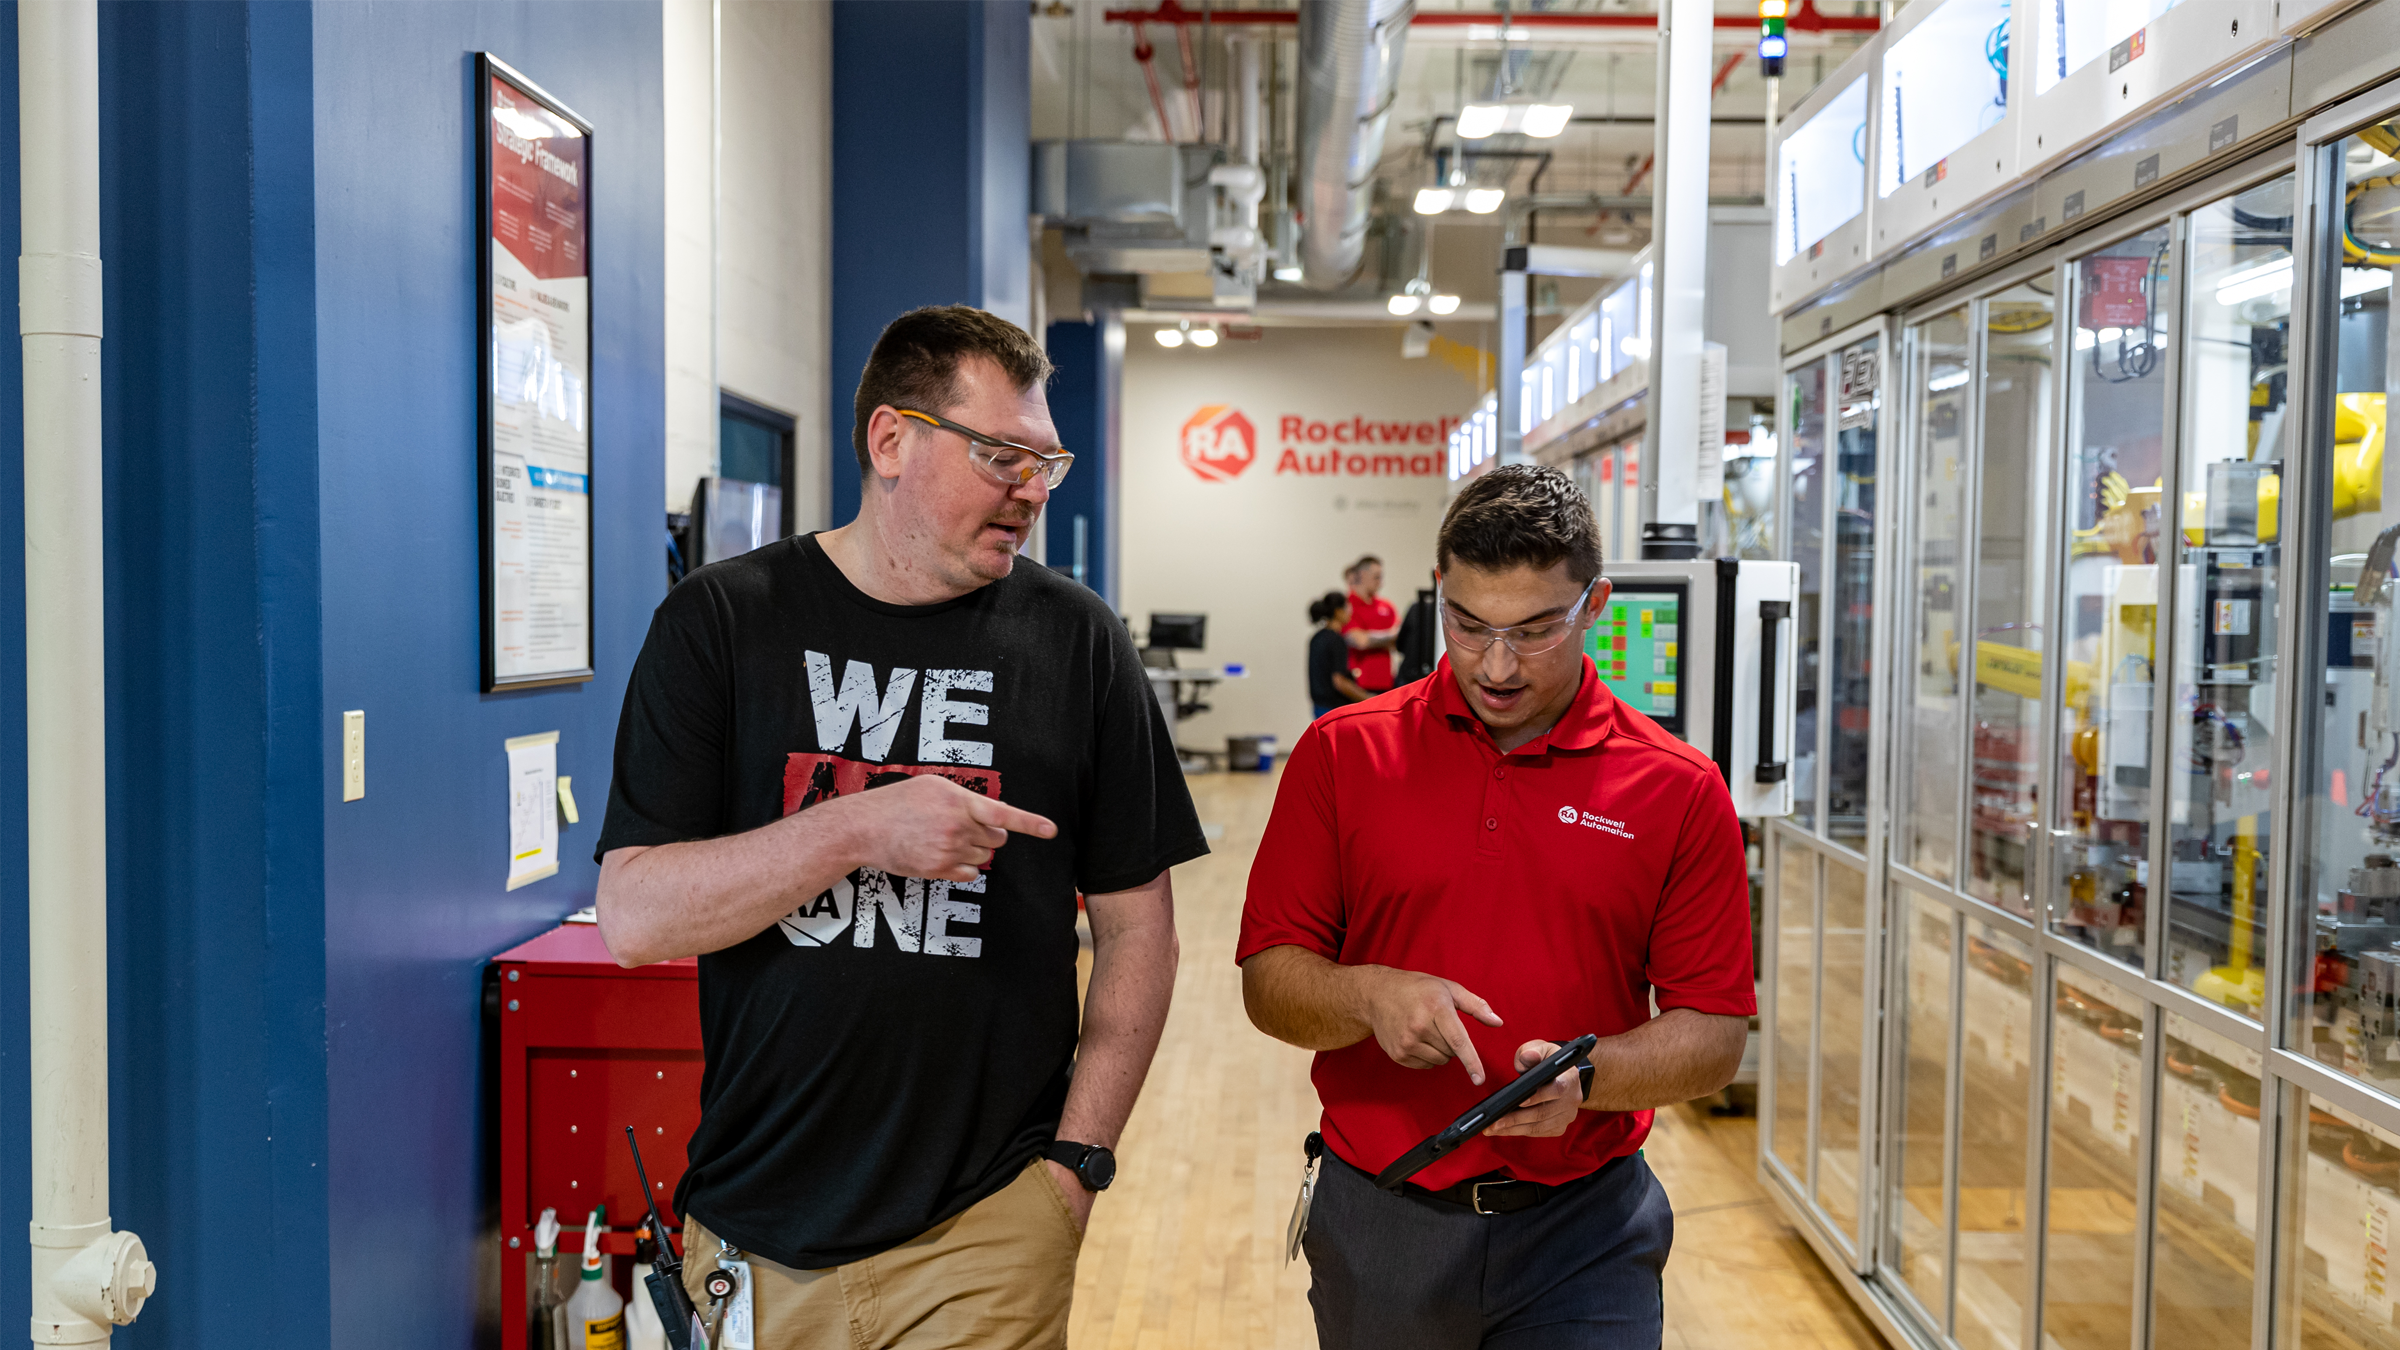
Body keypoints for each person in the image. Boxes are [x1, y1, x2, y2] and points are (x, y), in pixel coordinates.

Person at [593, 304, 1208, 1350]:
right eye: (1004, 455)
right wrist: (857, 828)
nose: (1031, 490)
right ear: (892, 440)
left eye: (1046, 462)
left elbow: (1139, 930)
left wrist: (1075, 1170)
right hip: (756, 1221)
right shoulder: (722, 623)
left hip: (988, 1223)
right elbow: (634, 917)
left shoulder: (1079, 646)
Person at [1237, 464, 1753, 1349]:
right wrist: (1366, 997)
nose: (1498, 665)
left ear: (1596, 604)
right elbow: (1270, 983)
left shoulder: (1677, 788)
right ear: (1439, 593)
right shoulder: (1341, 754)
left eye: (1535, 630)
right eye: (1469, 627)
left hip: (1583, 1235)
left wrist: (1589, 1082)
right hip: (1382, 1218)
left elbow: (1713, 1035)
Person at [1341, 555, 1402, 695]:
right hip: (1359, 684)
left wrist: (1370, 638)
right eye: (1376, 577)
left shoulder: (1386, 606)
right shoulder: (1348, 606)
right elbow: (1359, 641)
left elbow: (1397, 640)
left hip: (1386, 683)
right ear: (1363, 575)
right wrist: (1388, 637)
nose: (1380, 583)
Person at [1308, 591, 1371, 719]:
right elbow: (1339, 681)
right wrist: (1368, 699)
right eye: (1347, 608)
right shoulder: (1336, 640)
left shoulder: (1316, 638)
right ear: (1338, 612)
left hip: (1318, 707)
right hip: (1334, 709)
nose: (1350, 612)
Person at [1391, 571, 1438, 687]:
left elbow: (1399, 643)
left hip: (1409, 674)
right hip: (1415, 675)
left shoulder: (1417, 607)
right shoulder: (1420, 608)